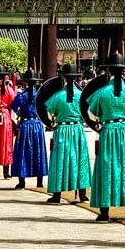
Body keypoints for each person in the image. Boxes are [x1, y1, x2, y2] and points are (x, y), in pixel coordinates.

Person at [84, 52, 125, 223]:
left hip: (109, 130)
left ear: (109, 71)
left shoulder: (102, 92)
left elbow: (91, 114)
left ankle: (105, 212)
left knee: (107, 167)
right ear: (124, 72)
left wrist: (102, 123)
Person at [42, 63, 91, 204]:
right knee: (80, 160)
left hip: (62, 130)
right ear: (75, 78)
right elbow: (87, 114)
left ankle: (57, 195)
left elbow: (49, 114)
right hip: (77, 130)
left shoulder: (57, 96)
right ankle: (82, 194)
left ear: (63, 78)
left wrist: (54, 121)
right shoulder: (81, 95)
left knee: (59, 160)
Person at [11, 69, 48, 189]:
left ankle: (22, 181)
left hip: (25, 126)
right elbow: (46, 111)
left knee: (22, 151)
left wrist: (16, 123)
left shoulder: (20, 96)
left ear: (25, 82)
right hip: (37, 125)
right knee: (38, 151)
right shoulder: (40, 96)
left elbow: (13, 111)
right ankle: (39, 181)